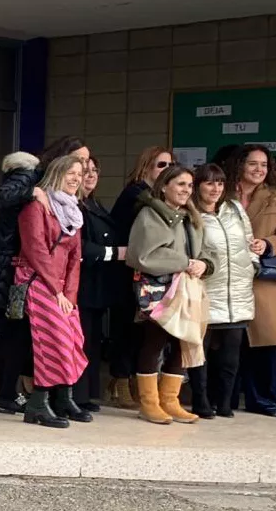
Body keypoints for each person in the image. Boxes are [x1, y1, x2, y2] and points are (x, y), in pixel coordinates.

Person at [0, 137, 90, 414]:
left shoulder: (66, 200)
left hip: (37, 273)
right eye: (78, 160)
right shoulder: (30, 175)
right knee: (15, 332)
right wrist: (31, 192)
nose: (82, 168)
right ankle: (10, 394)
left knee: (34, 334)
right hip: (13, 268)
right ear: (61, 159)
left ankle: (41, 395)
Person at [127, 165, 211, 425]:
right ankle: (149, 403)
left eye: (189, 185)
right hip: (158, 289)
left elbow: (207, 251)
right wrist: (185, 261)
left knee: (182, 343)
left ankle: (170, 401)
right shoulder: (149, 215)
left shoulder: (192, 217)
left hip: (187, 289)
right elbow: (143, 254)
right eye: (180, 184)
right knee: (154, 341)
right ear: (164, 186)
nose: (186, 190)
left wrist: (204, 264)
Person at [17, 155, 89, 428]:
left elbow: (75, 258)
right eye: (71, 172)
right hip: (38, 281)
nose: (76, 178)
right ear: (57, 173)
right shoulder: (36, 208)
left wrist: (69, 295)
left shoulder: (73, 211)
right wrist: (55, 291)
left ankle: (63, 397)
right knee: (53, 340)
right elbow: (36, 251)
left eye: (79, 174)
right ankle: (37, 404)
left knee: (73, 339)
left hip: (60, 288)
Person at [108, 146, 175, 406]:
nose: (167, 169)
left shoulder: (157, 195)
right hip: (128, 272)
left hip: (148, 273)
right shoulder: (136, 194)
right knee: (125, 329)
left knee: (141, 331)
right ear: (146, 166)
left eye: (171, 164)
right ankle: (119, 382)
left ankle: (134, 381)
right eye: (161, 165)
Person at [189, 163, 256, 419]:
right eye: (209, 182)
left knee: (230, 357)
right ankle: (201, 400)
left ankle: (225, 403)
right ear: (198, 186)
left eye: (219, 182)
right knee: (199, 353)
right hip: (206, 292)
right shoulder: (191, 213)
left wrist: (255, 264)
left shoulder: (235, 209)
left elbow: (248, 241)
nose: (215, 188)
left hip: (237, 292)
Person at [233, 145, 276, 416]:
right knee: (228, 342)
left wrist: (268, 243)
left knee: (265, 343)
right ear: (240, 164)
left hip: (263, 281)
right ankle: (225, 399)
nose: (258, 170)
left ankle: (263, 400)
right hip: (229, 278)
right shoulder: (223, 192)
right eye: (253, 163)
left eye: (264, 165)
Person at [75, 156, 125, 411]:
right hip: (80, 284)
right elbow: (79, 247)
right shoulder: (74, 206)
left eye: (95, 170)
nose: (91, 175)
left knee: (93, 340)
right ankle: (76, 395)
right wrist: (114, 253)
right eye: (85, 171)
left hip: (98, 284)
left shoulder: (94, 204)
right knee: (80, 340)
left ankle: (87, 394)